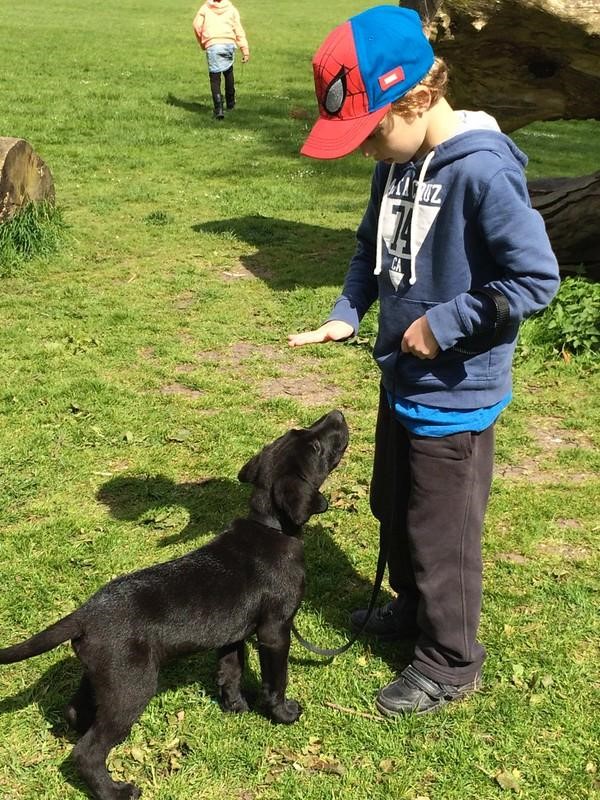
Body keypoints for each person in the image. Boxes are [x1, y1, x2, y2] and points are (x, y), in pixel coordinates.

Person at [289, 5, 560, 716]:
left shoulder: (482, 172)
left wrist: (445, 325)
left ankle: (449, 661)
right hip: (400, 379)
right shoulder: (397, 162)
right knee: (395, 507)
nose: (365, 151)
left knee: (444, 534)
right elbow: (366, 250)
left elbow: (535, 280)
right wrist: (346, 314)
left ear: (414, 98)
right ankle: (411, 608)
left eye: (369, 132)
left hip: (457, 393)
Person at [193, 0, 250, 120]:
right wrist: (244, 49)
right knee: (228, 72)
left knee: (215, 77)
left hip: (213, 44)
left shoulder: (205, 8)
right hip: (228, 43)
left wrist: (203, 43)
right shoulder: (231, 9)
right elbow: (238, 29)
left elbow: (196, 25)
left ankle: (218, 108)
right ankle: (230, 103)